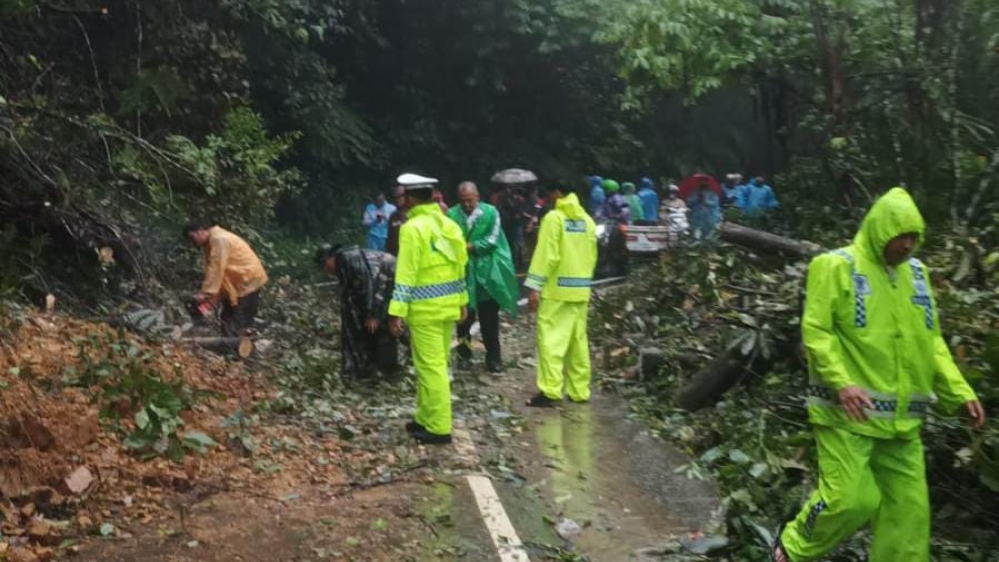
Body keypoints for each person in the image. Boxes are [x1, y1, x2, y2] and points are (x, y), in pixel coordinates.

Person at [772, 187, 985, 562]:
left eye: (914, 237)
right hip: (846, 417)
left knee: (909, 516)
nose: (907, 245)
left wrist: (959, 393)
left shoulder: (918, 276)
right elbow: (817, 331)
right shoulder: (835, 266)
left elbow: (931, 342)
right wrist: (842, 383)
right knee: (852, 501)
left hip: (903, 425)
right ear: (879, 230)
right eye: (900, 235)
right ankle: (790, 547)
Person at [388, 173, 469, 445]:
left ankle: (438, 427)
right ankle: (424, 417)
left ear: (410, 199)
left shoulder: (413, 228)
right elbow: (460, 266)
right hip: (448, 308)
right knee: (433, 365)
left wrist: (396, 311)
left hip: (425, 310)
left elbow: (406, 273)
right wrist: (462, 301)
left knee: (430, 367)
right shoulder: (449, 225)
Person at [524, 184, 597, 407]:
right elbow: (592, 255)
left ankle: (550, 391)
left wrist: (535, 286)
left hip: (556, 289)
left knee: (551, 341)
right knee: (577, 342)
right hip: (580, 288)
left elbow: (547, 255)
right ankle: (579, 391)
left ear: (556, 193)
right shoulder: (587, 221)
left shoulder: (554, 219)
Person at [448, 182, 520, 373]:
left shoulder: (491, 212)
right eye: (463, 201)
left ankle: (494, 358)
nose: (467, 205)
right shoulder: (452, 215)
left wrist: (470, 247)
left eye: (470, 201)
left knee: (489, 320)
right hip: (462, 274)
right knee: (464, 319)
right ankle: (464, 356)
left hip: (486, 275)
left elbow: (492, 240)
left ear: (477, 197)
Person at [320, 245, 398, 379]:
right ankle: (369, 367)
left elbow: (368, 285)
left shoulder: (348, 258)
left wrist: (372, 314)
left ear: (328, 260)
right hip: (382, 281)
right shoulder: (345, 262)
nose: (327, 271)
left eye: (325, 267)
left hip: (388, 275)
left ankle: (389, 369)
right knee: (367, 324)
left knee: (386, 324)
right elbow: (352, 297)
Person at [184, 222, 268, 337]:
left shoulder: (219, 240)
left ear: (200, 230)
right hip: (236, 283)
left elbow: (216, 268)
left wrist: (206, 293)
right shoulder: (211, 243)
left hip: (247, 280)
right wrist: (213, 296)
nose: (193, 242)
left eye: (192, 238)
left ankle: (239, 348)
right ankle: (229, 347)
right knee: (227, 317)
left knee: (240, 320)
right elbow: (212, 270)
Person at [386, 185, 408, 256]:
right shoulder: (393, 216)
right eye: (396, 197)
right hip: (396, 256)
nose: (398, 199)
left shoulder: (414, 214)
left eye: (400, 196)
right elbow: (390, 240)